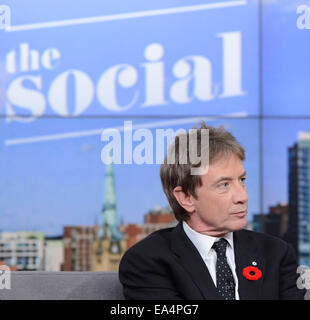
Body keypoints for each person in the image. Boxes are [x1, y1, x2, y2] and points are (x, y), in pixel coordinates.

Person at [119, 122, 305, 300]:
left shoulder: (276, 254)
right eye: (224, 185)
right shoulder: (148, 261)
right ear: (186, 198)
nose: (243, 196)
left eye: (242, 180)